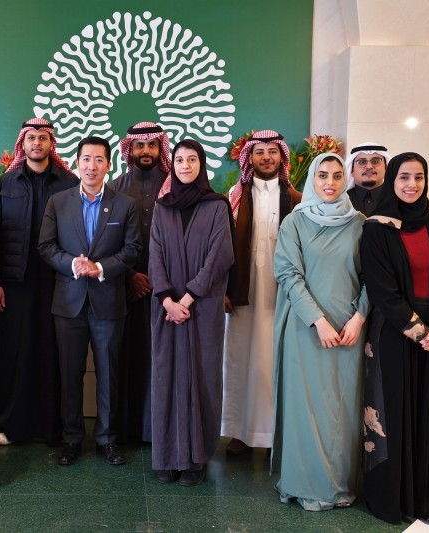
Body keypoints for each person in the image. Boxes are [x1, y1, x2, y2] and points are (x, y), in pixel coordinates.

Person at [360, 152, 429, 525]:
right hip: (394, 334)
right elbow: (381, 289)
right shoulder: (376, 229)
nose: (411, 185)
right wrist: (420, 331)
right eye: (404, 177)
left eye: (419, 177)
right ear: (392, 181)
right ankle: (395, 500)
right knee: (395, 415)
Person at [271, 153, 368, 511]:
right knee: (306, 407)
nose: (329, 182)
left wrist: (359, 318)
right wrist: (318, 320)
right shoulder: (293, 224)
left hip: (349, 331)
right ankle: (303, 482)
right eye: (322, 175)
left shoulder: (360, 223)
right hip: (305, 328)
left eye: (337, 175)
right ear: (312, 179)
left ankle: (340, 484)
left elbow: (373, 277)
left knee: (341, 407)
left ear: (345, 180)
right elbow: (287, 274)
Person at [38, 136, 141, 466]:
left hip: (108, 301)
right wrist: (72, 264)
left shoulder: (124, 204)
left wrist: (100, 267)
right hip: (68, 302)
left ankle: (107, 439)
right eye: (86, 159)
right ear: (77, 162)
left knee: (108, 372)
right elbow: (46, 246)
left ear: (109, 165)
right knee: (70, 373)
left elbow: (132, 249)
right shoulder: (59, 202)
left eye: (99, 159)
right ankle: (71, 439)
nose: (92, 165)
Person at [0, 118, 79, 446]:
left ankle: (53, 427)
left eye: (43, 137)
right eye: (31, 138)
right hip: (16, 283)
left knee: (54, 353)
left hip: (58, 280)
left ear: (51, 143)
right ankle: (13, 426)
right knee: (16, 353)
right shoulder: (7, 183)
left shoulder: (69, 182)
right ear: (22, 145)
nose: (36, 143)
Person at [149, 139, 234, 487]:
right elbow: (154, 253)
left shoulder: (216, 206)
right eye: (180, 160)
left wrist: (188, 297)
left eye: (192, 159)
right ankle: (168, 458)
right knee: (166, 378)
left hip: (203, 309)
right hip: (166, 310)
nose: (185, 165)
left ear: (202, 163)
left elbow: (220, 255)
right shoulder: (162, 207)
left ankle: (196, 458)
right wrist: (167, 298)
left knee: (202, 377)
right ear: (173, 165)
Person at [221, 129, 302, 455]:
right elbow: (223, 248)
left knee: (274, 362)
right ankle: (240, 433)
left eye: (272, 152)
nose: (266, 157)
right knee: (239, 360)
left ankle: (271, 436)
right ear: (249, 158)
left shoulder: (296, 200)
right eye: (259, 152)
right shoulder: (234, 197)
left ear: (281, 157)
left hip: (281, 298)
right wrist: (225, 289)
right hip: (243, 297)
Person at [106, 121, 171, 443]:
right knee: (125, 356)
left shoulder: (174, 186)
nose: (146, 152)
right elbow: (106, 240)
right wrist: (131, 276)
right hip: (124, 289)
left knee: (161, 358)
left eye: (152, 145)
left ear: (161, 148)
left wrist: (158, 281)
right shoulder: (115, 188)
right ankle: (128, 429)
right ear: (129, 150)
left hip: (166, 292)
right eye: (139, 146)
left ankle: (159, 428)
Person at [345, 142, 390, 216]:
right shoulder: (340, 201)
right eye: (362, 162)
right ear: (352, 171)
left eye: (375, 161)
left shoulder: (396, 200)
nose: (369, 166)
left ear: (386, 168)